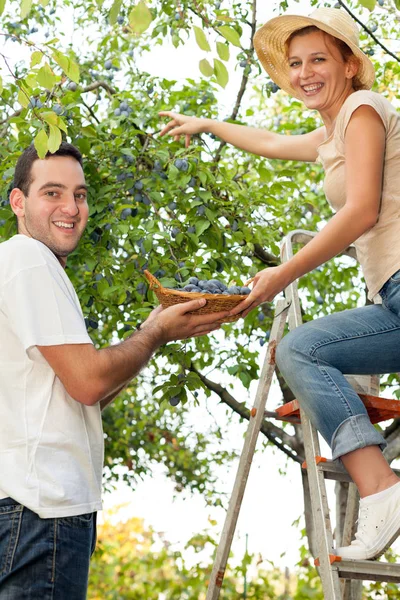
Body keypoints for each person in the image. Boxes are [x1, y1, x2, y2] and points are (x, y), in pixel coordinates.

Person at [158, 7, 400, 561]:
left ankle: (383, 491)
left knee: (302, 350)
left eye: (319, 58)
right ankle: (384, 490)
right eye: (294, 63)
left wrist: (279, 276)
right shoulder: (334, 132)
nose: (304, 72)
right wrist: (208, 126)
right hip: (393, 295)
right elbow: (269, 140)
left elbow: (361, 211)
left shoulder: (363, 110)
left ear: (349, 63)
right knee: (301, 351)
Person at [0, 142, 228, 598]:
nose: (71, 207)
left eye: (80, 194)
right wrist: (154, 335)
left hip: (29, 508)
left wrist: (152, 333)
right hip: (41, 508)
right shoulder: (28, 259)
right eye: (52, 193)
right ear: (19, 202)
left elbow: (84, 393)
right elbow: (89, 381)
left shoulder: (25, 266)